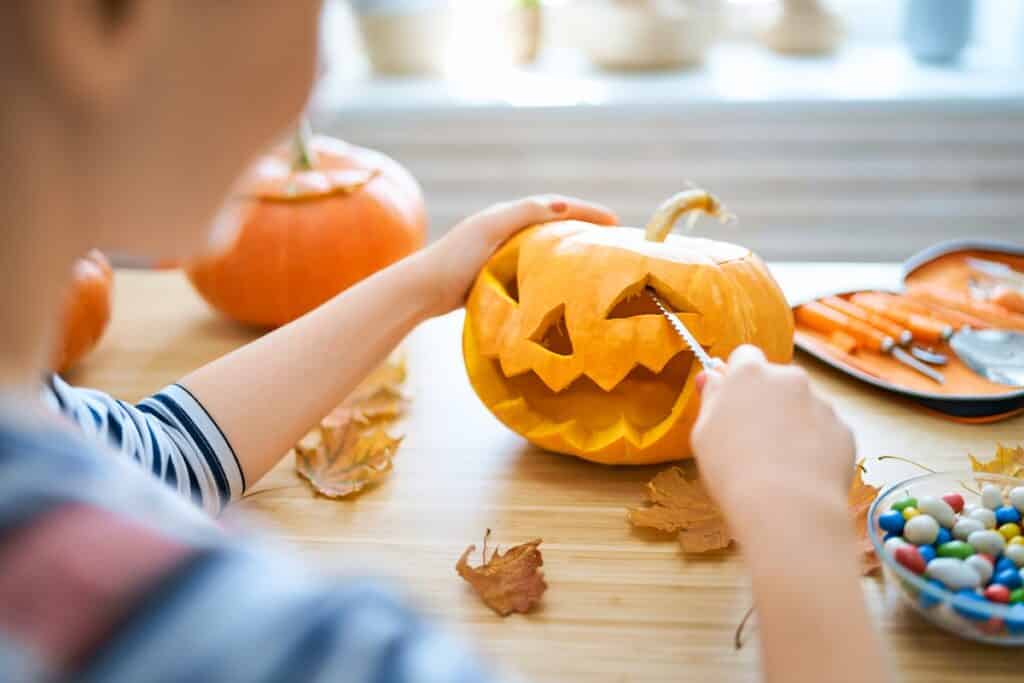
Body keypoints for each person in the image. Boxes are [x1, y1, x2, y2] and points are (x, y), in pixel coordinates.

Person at [0, 2, 888, 682]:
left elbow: (150, 459)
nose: (321, 63)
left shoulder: (31, 447)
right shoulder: (252, 640)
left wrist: (427, 283)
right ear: (97, 22)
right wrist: (794, 517)